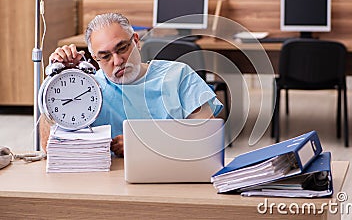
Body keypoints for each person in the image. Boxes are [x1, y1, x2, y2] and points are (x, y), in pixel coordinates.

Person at [40, 13, 222, 157]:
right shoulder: (91, 90)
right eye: (105, 56)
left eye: (122, 48)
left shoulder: (178, 76)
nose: (118, 61)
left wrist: (144, 143)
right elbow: (50, 147)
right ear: (95, 59)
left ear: (136, 41)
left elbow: (208, 140)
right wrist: (58, 81)